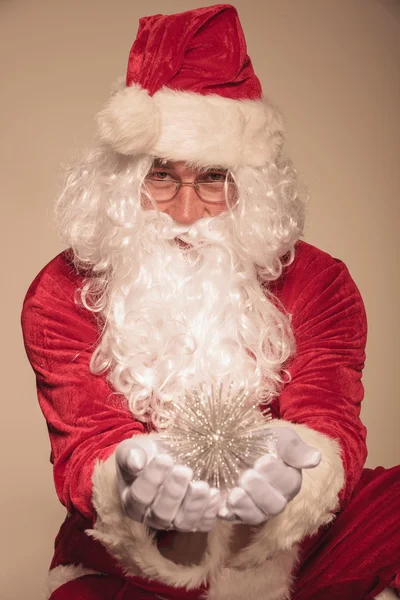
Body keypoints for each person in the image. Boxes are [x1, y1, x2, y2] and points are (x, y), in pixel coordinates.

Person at [21, 5, 400, 600]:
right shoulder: (61, 291)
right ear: (123, 184)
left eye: (213, 178)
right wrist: (133, 480)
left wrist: (301, 471)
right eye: (161, 176)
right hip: (147, 560)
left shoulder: (321, 281)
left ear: (250, 185)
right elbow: (85, 441)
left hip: (293, 548)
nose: (186, 210)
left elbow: (330, 415)